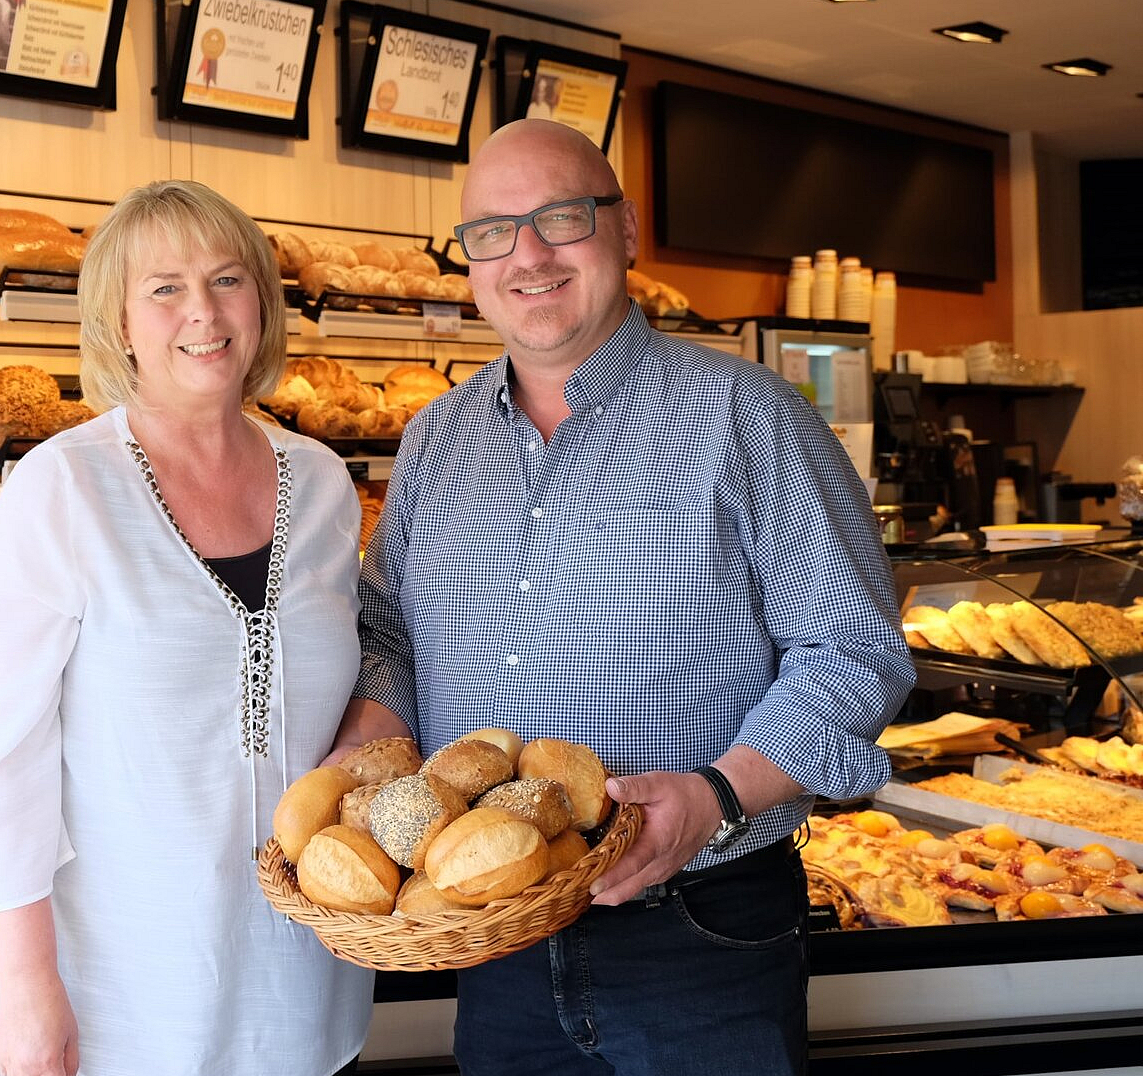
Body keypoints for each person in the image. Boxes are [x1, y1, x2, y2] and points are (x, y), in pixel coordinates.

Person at [325, 119, 914, 1075]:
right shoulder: (434, 441)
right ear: (468, 262)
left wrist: (717, 795)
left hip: (701, 931)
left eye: (560, 217)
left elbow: (852, 653)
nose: (528, 256)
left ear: (626, 229)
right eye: (492, 232)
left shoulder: (749, 416)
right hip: (492, 933)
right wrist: (365, 761)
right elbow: (390, 632)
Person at [0, 179, 374, 1076]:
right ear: (117, 318)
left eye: (228, 280)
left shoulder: (327, 483)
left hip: (307, 971)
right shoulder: (61, 489)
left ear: (262, 299)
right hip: (130, 986)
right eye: (165, 288)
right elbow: (6, 760)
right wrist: (28, 988)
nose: (204, 313)